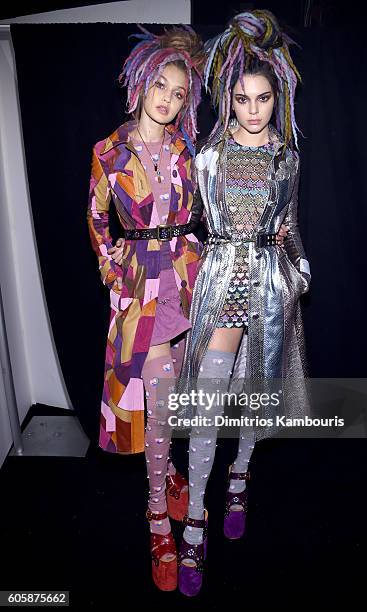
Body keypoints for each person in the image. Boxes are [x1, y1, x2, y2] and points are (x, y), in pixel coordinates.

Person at [172, 9, 312, 596]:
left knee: (256, 392)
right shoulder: (206, 156)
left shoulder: (287, 156)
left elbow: (290, 223)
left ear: (275, 100)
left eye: (263, 99)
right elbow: (187, 221)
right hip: (224, 281)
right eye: (242, 97)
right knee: (207, 401)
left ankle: (239, 476)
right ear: (227, 98)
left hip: (271, 283)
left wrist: (300, 265)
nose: (254, 109)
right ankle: (196, 521)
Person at [86, 24, 207, 592]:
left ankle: (172, 473)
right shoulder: (108, 153)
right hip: (141, 286)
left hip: (185, 277)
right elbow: (96, 221)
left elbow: (202, 210)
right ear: (139, 83)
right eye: (160, 84)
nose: (167, 97)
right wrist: (115, 276)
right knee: (154, 394)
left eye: (178, 92)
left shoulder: (185, 150)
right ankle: (158, 515)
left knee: (174, 390)